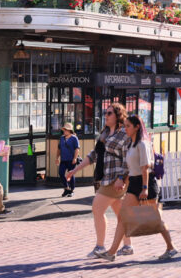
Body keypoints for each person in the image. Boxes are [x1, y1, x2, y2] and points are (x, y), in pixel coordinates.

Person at [96, 116, 177, 261]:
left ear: (137, 127)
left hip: (146, 183)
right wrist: (123, 180)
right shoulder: (131, 144)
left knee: (156, 219)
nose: (125, 128)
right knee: (123, 216)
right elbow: (130, 167)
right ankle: (111, 252)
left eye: (128, 126)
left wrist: (145, 188)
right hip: (133, 183)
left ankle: (171, 247)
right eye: (125, 126)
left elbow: (144, 167)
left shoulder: (142, 144)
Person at [66, 103, 133, 258]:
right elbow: (93, 155)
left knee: (97, 208)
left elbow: (128, 158)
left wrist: (122, 178)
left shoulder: (123, 133)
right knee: (120, 214)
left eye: (109, 113)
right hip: (106, 177)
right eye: (105, 112)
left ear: (118, 116)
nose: (106, 115)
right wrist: (75, 170)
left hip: (116, 179)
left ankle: (100, 247)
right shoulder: (104, 134)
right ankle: (127, 246)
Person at [57, 122, 80, 197]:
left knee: (70, 174)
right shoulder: (62, 138)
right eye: (64, 129)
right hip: (63, 159)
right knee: (61, 173)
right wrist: (57, 158)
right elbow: (59, 149)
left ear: (69, 130)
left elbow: (77, 149)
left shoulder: (74, 138)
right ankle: (66, 188)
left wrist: (75, 158)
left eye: (66, 130)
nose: (64, 131)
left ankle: (72, 190)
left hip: (71, 159)